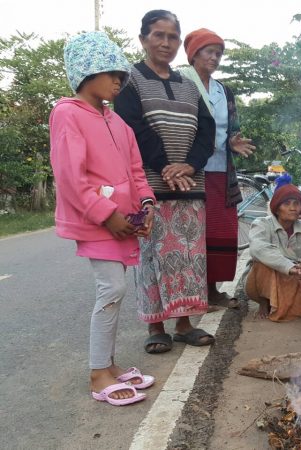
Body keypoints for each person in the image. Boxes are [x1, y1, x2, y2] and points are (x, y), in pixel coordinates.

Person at [50, 31, 157, 405]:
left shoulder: (118, 122)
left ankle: (108, 365)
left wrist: (147, 204)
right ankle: (98, 374)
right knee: (111, 289)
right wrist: (105, 215)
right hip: (96, 221)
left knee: (116, 289)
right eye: (112, 73)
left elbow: (136, 169)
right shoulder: (67, 113)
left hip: (122, 221)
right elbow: (70, 177)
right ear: (86, 71)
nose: (119, 81)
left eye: (121, 75)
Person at [114, 10, 216, 354]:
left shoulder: (188, 84)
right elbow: (132, 128)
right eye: (158, 35)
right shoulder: (129, 80)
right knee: (151, 257)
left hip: (190, 184)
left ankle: (185, 323)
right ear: (143, 39)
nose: (166, 43)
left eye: (173, 37)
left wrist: (189, 165)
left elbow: (207, 129)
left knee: (189, 256)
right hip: (148, 187)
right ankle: (155, 325)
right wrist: (166, 165)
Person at [180, 28, 256, 309]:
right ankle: (191, 292)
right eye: (209, 51)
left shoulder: (224, 91)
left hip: (221, 173)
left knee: (220, 231)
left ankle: (212, 291)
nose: (214, 57)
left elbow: (232, 129)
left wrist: (233, 142)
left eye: (218, 53)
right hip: (191, 171)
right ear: (193, 54)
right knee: (192, 233)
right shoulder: (181, 85)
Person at [245, 177, 301, 321]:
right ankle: (265, 302)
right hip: (270, 276)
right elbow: (258, 248)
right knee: (261, 263)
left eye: (296, 204)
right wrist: (289, 267)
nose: (293, 208)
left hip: (294, 276)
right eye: (287, 204)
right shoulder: (262, 224)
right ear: (277, 208)